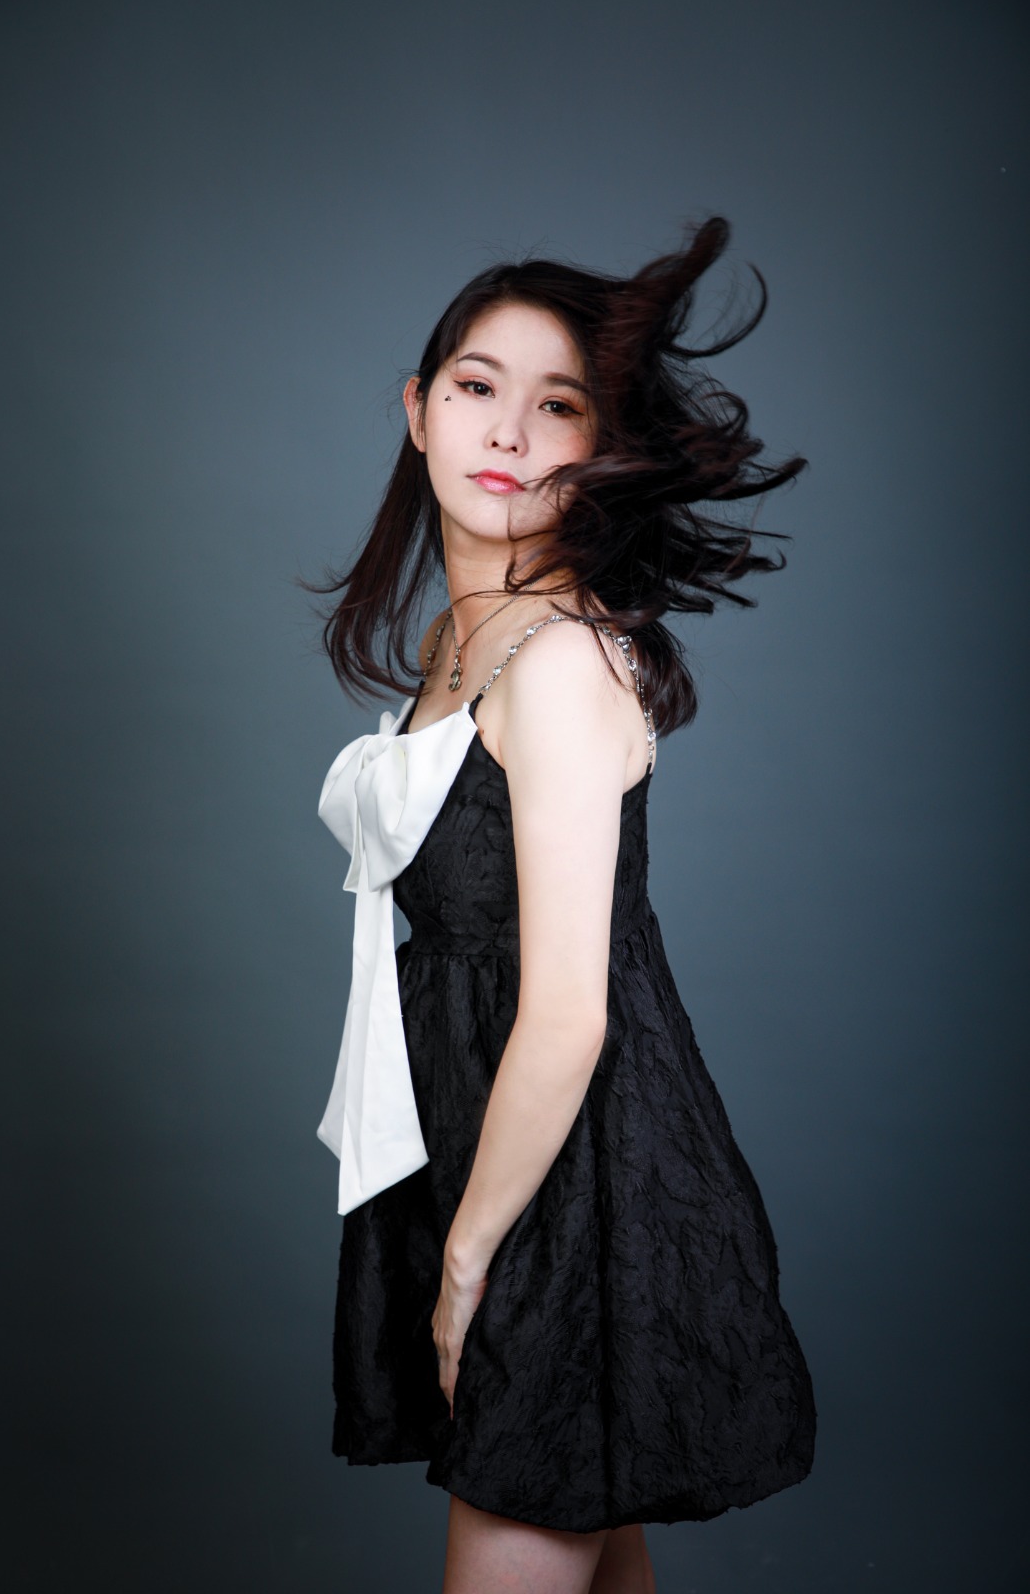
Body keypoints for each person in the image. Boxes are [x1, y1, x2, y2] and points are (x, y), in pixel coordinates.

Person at [305, 215, 816, 1594]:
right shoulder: (454, 641)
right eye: (478, 387)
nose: (509, 432)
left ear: (598, 447)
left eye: (559, 405)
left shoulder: (558, 662)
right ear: (418, 411)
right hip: (488, 1154)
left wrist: (469, 1258)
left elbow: (570, 1013)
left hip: (568, 1190)